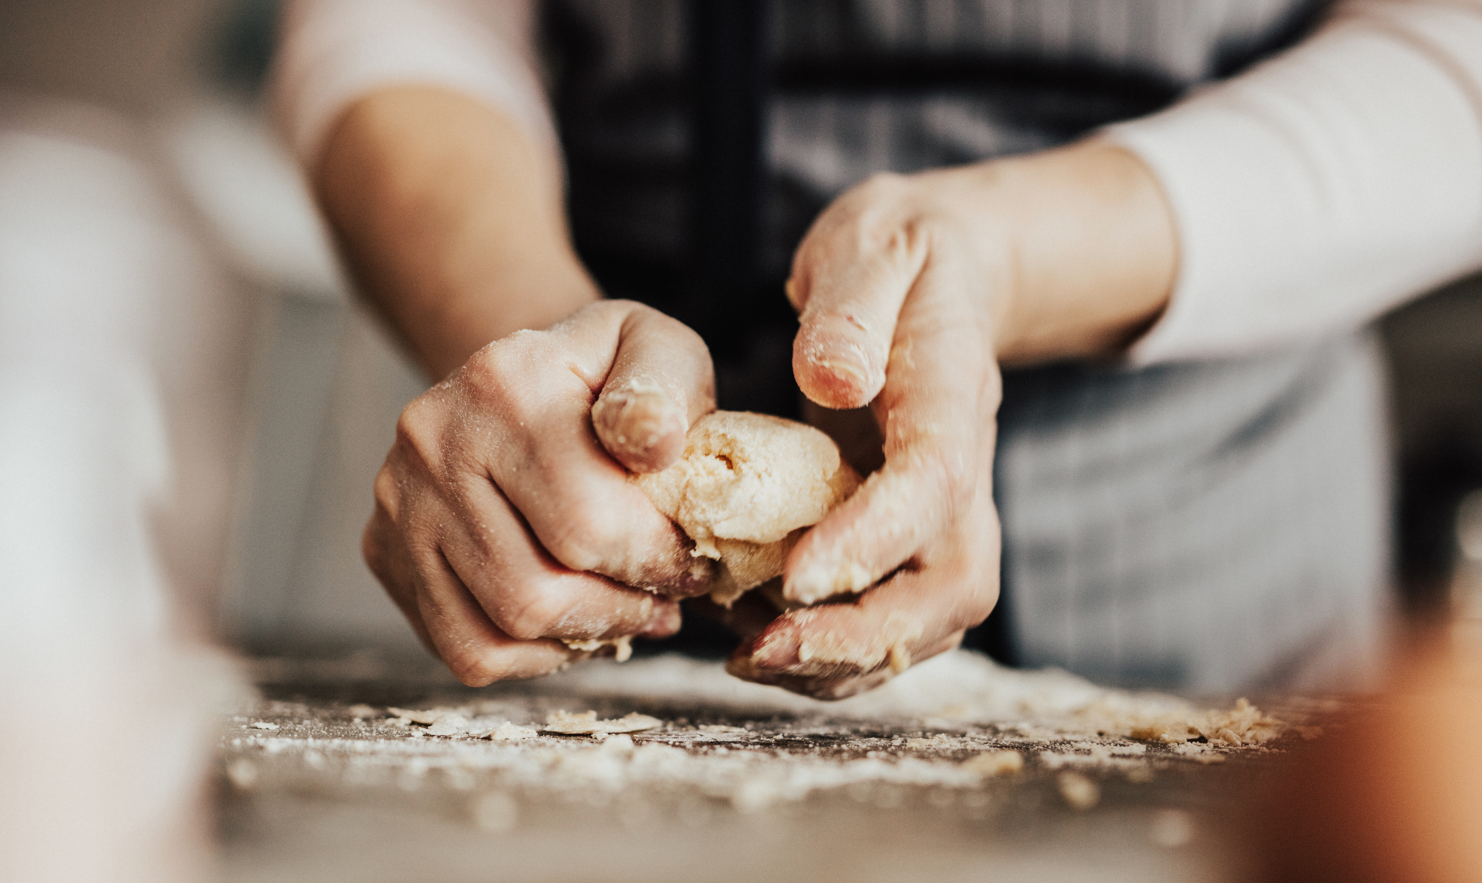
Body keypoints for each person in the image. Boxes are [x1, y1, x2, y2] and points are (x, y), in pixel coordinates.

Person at [273, 0, 1482, 698]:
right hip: (596, 572)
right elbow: (406, 22)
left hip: (1216, 564)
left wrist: (1008, 249)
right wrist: (532, 336)